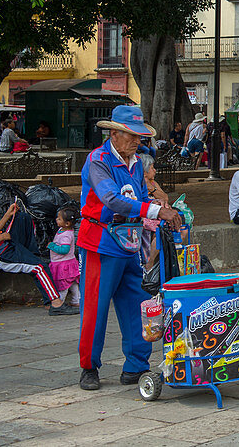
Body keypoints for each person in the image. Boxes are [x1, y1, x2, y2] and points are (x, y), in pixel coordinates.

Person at [77, 105, 181, 391]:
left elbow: (139, 196)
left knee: (136, 305)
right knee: (95, 308)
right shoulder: (98, 160)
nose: (137, 141)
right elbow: (111, 199)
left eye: (140, 136)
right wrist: (155, 212)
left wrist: (159, 206)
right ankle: (89, 366)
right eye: (132, 136)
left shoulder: (136, 162)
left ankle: (136, 364)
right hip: (101, 241)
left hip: (129, 242)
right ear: (114, 133)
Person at [47, 206, 82, 312]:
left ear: (67, 223)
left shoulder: (66, 235)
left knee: (63, 285)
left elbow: (64, 250)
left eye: (59, 218)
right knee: (73, 283)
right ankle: (77, 300)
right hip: (67, 262)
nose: (56, 219)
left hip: (63, 264)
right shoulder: (62, 230)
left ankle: (60, 302)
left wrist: (52, 246)